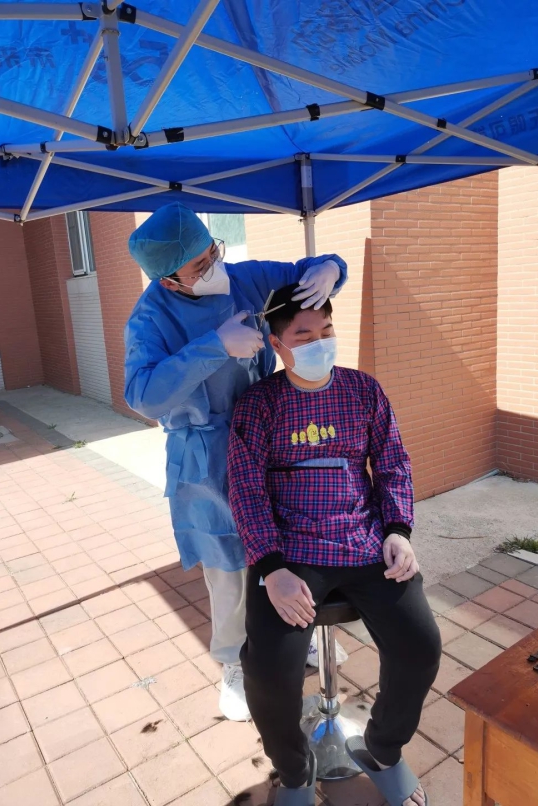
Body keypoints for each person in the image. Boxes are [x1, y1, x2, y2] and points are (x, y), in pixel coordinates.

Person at [124, 203, 348, 721]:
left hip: (269, 436)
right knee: (228, 566)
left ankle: (300, 631)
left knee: (288, 544)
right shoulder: (150, 317)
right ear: (169, 280)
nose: (214, 267)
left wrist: (330, 269)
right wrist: (213, 346)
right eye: (199, 266)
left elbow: (305, 275)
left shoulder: (245, 281)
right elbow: (143, 395)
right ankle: (232, 664)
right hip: (206, 457)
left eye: (213, 252)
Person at [227, 284, 442, 806]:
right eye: (304, 336)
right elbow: (246, 488)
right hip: (292, 554)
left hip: (365, 542)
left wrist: (398, 531)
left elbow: (392, 463)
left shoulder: (364, 391)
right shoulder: (259, 405)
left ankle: (382, 750)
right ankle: (295, 770)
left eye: (326, 330)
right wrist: (271, 567)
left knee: (419, 646)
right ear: (277, 344)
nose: (320, 342)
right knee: (267, 671)